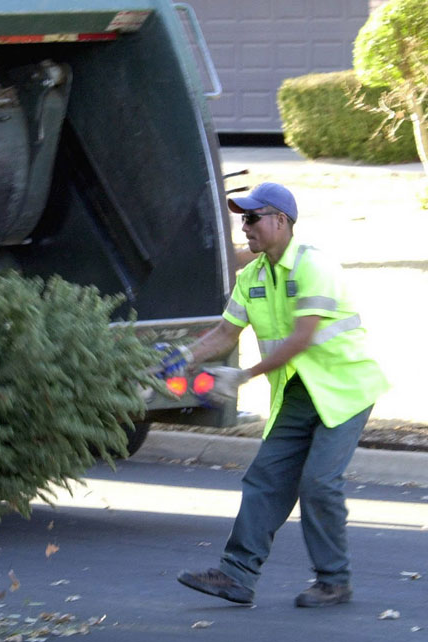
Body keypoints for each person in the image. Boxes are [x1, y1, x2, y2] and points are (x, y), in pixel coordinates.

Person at [166, 182, 388, 608]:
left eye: (252, 217)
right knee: (266, 478)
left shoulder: (313, 266)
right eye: (241, 219)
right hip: (297, 394)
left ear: (281, 221)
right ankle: (236, 576)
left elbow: (302, 338)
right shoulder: (251, 277)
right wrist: (183, 356)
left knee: (319, 482)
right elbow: (225, 332)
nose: (244, 226)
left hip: (344, 388)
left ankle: (334, 581)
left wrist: (243, 374)